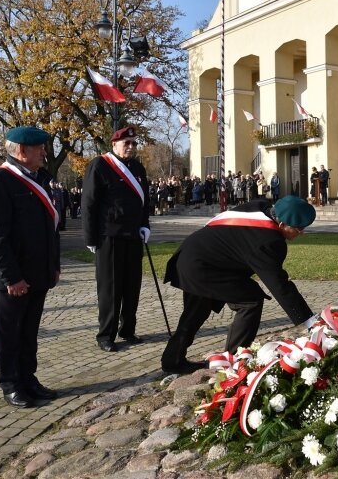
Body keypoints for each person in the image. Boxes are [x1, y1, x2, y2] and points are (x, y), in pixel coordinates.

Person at [160, 195, 317, 374]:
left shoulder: (261, 208)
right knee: (250, 301)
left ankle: (172, 360)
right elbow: (281, 287)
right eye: (299, 228)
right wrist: (309, 323)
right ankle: (234, 359)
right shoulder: (268, 241)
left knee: (196, 312)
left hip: (195, 257)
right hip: (202, 265)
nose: (302, 233)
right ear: (281, 224)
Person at [0, 125, 60, 408]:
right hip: (12, 279)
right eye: (39, 148)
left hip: (37, 274)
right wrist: (11, 277)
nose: (44, 152)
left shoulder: (39, 180)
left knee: (28, 332)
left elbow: (51, 228)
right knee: (9, 333)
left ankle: (28, 378)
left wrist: (54, 265)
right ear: (21, 151)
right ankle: (11, 383)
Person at [82, 126, 151, 353]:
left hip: (133, 236)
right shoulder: (100, 165)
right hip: (108, 236)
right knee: (111, 288)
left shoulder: (138, 168)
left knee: (132, 287)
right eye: (126, 143)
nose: (130, 147)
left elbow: (144, 202)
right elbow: (89, 204)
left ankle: (128, 330)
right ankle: (106, 334)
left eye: (133, 143)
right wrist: (91, 238)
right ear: (114, 145)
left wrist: (145, 225)